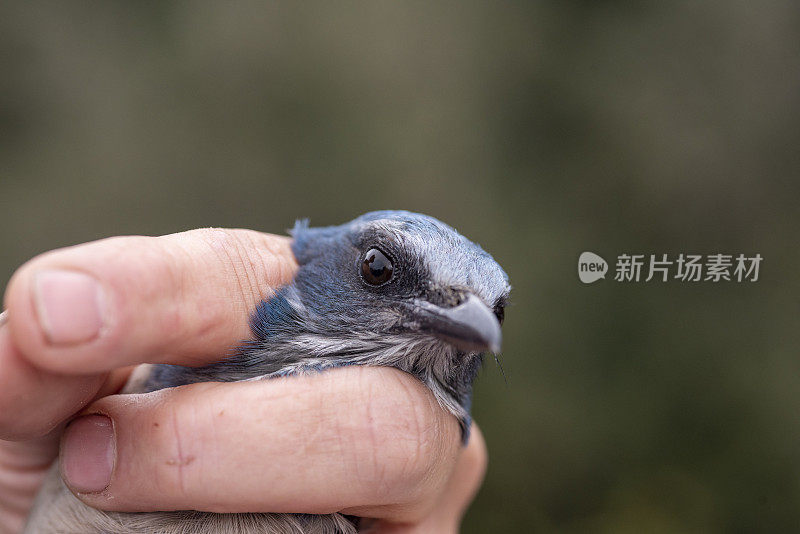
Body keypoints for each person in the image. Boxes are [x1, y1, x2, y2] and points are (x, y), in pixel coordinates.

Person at [0, 228, 487, 534]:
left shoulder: (376, 507)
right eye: (378, 271)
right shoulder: (134, 376)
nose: (473, 316)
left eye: (495, 311)